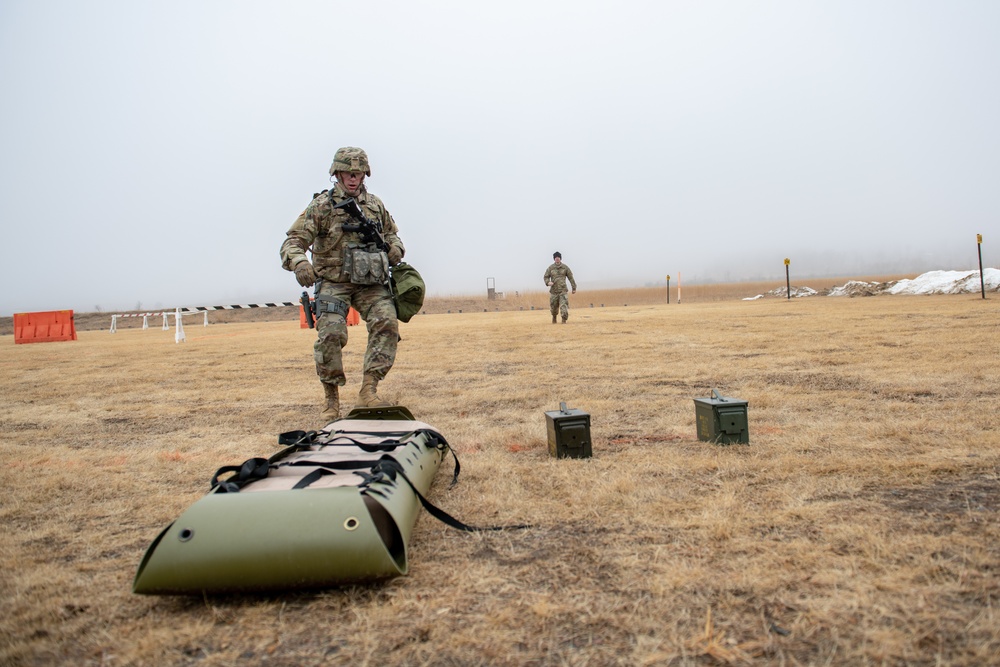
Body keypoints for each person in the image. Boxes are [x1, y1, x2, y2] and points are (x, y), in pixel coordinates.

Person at [280, 147, 405, 424]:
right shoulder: (322, 206)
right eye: (348, 172)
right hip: (334, 282)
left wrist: (395, 249)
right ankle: (331, 398)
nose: (353, 178)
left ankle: (369, 391)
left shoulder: (374, 205)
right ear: (337, 173)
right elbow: (292, 242)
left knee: (387, 322)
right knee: (331, 334)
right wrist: (300, 263)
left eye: (358, 173)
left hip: (370, 284)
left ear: (364, 174)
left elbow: (393, 236)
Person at [543, 251, 577, 324]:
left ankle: (564, 320)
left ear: (560, 258)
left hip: (563, 290)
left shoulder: (565, 267)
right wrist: (548, 282)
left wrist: (574, 288)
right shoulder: (550, 268)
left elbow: (571, 278)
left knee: (563, 306)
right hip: (554, 291)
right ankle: (554, 317)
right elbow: (546, 277)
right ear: (554, 259)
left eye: (558, 257)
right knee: (554, 307)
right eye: (555, 257)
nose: (557, 259)